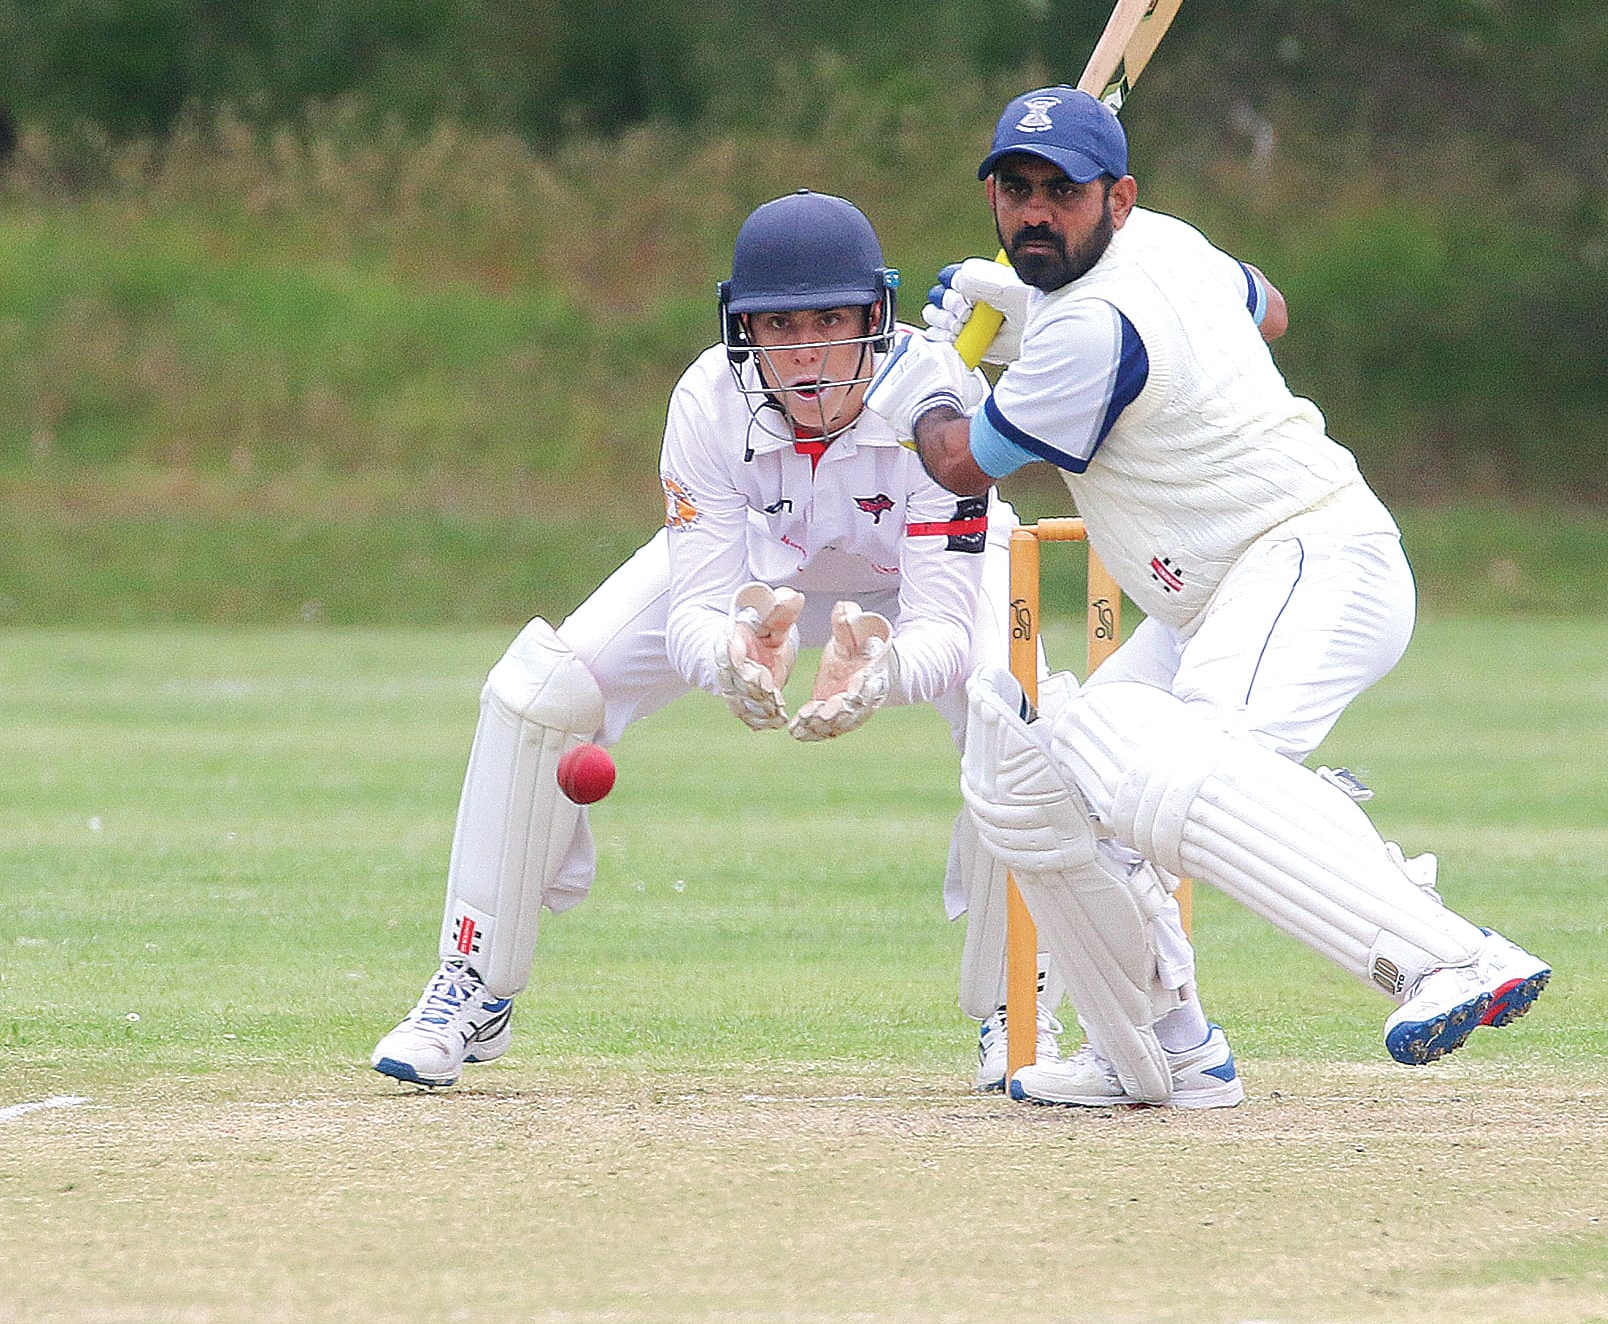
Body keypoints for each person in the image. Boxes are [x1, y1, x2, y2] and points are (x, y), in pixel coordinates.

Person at [864, 86, 1551, 1107]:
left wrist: (931, 382)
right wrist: (1027, 320)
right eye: (1016, 190)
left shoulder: (1088, 332)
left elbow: (961, 464)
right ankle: (1158, 1048)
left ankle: (1438, 949)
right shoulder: (1170, 249)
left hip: (1307, 560)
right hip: (1208, 602)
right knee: (1040, 786)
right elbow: (1267, 305)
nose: (1035, 213)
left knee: (1166, 763)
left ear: (1119, 197)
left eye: (1064, 191)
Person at [371, 190, 1085, 1092]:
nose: (809, 352)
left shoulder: (939, 399)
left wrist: (883, 668)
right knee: (540, 691)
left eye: (831, 320)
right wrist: (731, 655)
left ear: (875, 316)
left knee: (1014, 717)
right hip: (764, 567)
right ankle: (472, 982)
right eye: (779, 325)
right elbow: (695, 607)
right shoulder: (708, 399)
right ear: (742, 332)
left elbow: (942, 622)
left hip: (910, 580)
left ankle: (1018, 1013)